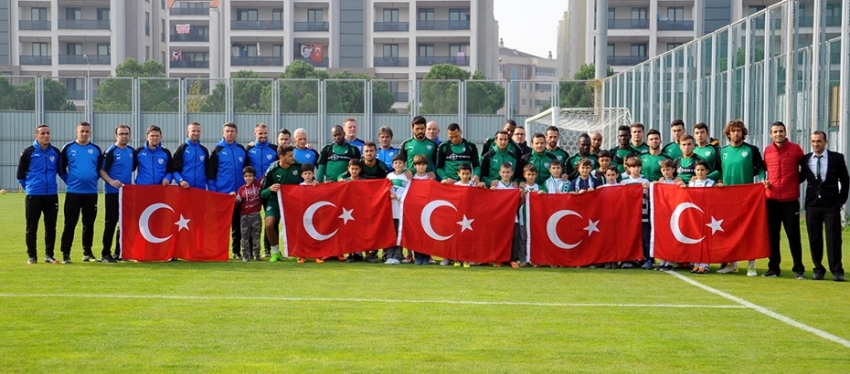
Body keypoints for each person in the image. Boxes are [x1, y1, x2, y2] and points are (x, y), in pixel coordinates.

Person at [716, 119, 764, 276]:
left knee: (749, 230)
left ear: (743, 132)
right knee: (730, 230)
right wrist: (708, 179)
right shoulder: (722, 152)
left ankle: (751, 264)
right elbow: (719, 172)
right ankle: (731, 263)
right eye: (733, 131)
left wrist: (763, 180)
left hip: (747, 196)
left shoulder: (751, 150)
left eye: (738, 131)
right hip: (727, 197)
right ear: (728, 133)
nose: (735, 134)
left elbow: (761, 168)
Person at [802, 131, 849, 281]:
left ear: (825, 142)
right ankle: (818, 269)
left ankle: (837, 270)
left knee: (834, 238)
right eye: (813, 141)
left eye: (819, 141)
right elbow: (799, 178)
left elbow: (845, 180)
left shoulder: (837, 158)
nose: (816, 144)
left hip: (831, 205)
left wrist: (841, 200)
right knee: (814, 238)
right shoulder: (805, 160)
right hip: (812, 204)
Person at [762, 121, 805, 278]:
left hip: (790, 200)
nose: (778, 134)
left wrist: (795, 182)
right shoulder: (767, 151)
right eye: (775, 132)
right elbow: (763, 169)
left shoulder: (795, 149)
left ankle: (798, 269)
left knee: (793, 235)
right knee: (773, 236)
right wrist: (764, 181)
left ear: (785, 133)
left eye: (781, 131)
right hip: (771, 200)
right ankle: (773, 268)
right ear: (770, 135)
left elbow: (806, 169)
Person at [59, 121, 103, 263]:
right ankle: (66, 253)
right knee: (70, 223)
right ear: (76, 132)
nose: (84, 134)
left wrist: (92, 179)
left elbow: (100, 169)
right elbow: (60, 168)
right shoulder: (68, 148)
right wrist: (69, 181)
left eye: (87, 131)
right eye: (81, 131)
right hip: (73, 193)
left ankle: (87, 252)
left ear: (90, 133)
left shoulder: (96, 149)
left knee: (89, 223)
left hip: (91, 193)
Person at [18, 124, 62, 264]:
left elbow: (61, 171)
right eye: (42, 133)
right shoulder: (28, 152)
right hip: (34, 195)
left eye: (48, 133)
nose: (46, 136)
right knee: (32, 226)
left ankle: (49, 255)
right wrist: (30, 189)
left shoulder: (55, 152)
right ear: (36, 136)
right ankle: (32, 256)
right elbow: (20, 175)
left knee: (51, 226)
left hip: (51, 195)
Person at [207, 122, 248, 260]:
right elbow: (211, 173)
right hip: (222, 195)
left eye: (232, 131)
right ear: (223, 133)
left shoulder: (242, 150)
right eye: (227, 131)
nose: (230, 134)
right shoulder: (217, 150)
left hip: (239, 195)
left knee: (238, 224)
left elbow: (247, 172)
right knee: (220, 226)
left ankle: (236, 251)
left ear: (236, 133)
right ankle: (218, 251)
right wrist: (215, 193)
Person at [262, 146, 304, 262]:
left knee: (296, 225)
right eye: (290, 156)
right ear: (281, 157)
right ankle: (275, 252)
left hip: (292, 201)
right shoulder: (272, 169)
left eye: (293, 155)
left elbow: (310, 179)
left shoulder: (299, 166)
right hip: (275, 200)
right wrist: (270, 189)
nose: (293, 158)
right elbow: (262, 192)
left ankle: (294, 251)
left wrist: (314, 181)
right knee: (269, 224)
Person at [99, 125, 134, 263]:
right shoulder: (111, 151)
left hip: (126, 193)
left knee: (124, 223)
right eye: (121, 134)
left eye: (126, 134)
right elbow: (102, 171)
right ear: (116, 135)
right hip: (113, 193)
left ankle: (119, 252)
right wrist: (111, 181)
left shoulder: (131, 151)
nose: (124, 136)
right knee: (111, 222)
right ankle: (105, 254)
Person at [246, 123, 279, 258]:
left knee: (271, 220)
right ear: (255, 134)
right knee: (250, 221)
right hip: (253, 190)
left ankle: (268, 249)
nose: (263, 136)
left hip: (268, 190)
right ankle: (251, 250)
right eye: (260, 133)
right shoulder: (249, 149)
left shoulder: (274, 149)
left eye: (265, 133)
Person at [620, 156, 652, 270]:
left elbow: (650, 198)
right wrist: (622, 189)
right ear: (628, 168)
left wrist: (648, 190)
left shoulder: (645, 181)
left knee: (645, 238)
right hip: (629, 216)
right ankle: (627, 259)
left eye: (638, 166)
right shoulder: (624, 182)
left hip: (643, 214)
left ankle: (648, 259)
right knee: (629, 237)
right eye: (633, 166)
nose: (636, 169)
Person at [685, 159, 716, 274]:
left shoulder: (710, 183)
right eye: (697, 170)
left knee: (705, 240)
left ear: (707, 171)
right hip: (694, 215)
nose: (699, 172)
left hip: (706, 215)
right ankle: (695, 263)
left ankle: (705, 264)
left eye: (702, 170)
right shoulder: (691, 183)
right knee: (694, 239)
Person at [296, 163, 324, 264]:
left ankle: (317, 255)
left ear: (313, 174)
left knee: (315, 235)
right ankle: (301, 255)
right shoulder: (299, 186)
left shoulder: (316, 185)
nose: (307, 175)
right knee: (302, 236)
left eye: (309, 173)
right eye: (305, 173)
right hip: (303, 215)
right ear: (302, 175)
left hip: (314, 214)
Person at [516, 164, 543, 267]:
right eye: (528, 174)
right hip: (523, 216)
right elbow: (516, 204)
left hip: (536, 218)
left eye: (533, 174)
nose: (531, 177)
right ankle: (523, 259)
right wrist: (522, 196)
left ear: (536, 175)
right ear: (524, 175)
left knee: (535, 238)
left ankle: (535, 258)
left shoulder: (539, 187)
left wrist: (540, 194)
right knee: (523, 239)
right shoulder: (521, 187)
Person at [386, 154, 409, 265]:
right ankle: (389, 255)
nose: (398, 165)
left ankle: (398, 255)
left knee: (399, 233)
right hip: (390, 210)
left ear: (404, 164)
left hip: (401, 210)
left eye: (400, 163)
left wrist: (398, 197)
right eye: (396, 163)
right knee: (391, 233)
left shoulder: (407, 177)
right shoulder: (389, 176)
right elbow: (385, 189)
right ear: (392, 165)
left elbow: (409, 191)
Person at [235, 166, 263, 262]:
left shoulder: (258, 185)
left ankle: (256, 255)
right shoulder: (241, 190)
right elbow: (237, 201)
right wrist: (231, 197)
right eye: (246, 176)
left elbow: (267, 175)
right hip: (244, 217)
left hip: (256, 215)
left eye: (250, 176)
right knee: (245, 237)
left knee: (256, 236)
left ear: (254, 176)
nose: (248, 178)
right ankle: (245, 255)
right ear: (243, 177)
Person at [172, 121, 209, 190]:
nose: (196, 133)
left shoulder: (204, 150)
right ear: (187, 132)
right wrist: (181, 181)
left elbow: (208, 171)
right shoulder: (181, 149)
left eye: (198, 131)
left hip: (200, 190)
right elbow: (174, 170)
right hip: (184, 189)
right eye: (193, 131)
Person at [411, 154, 432, 265]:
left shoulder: (430, 178)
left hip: (428, 210)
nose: (421, 167)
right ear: (414, 166)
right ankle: (417, 255)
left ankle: (426, 255)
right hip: (415, 210)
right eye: (419, 164)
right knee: (417, 233)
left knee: (427, 233)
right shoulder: (411, 179)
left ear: (427, 166)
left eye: (423, 164)